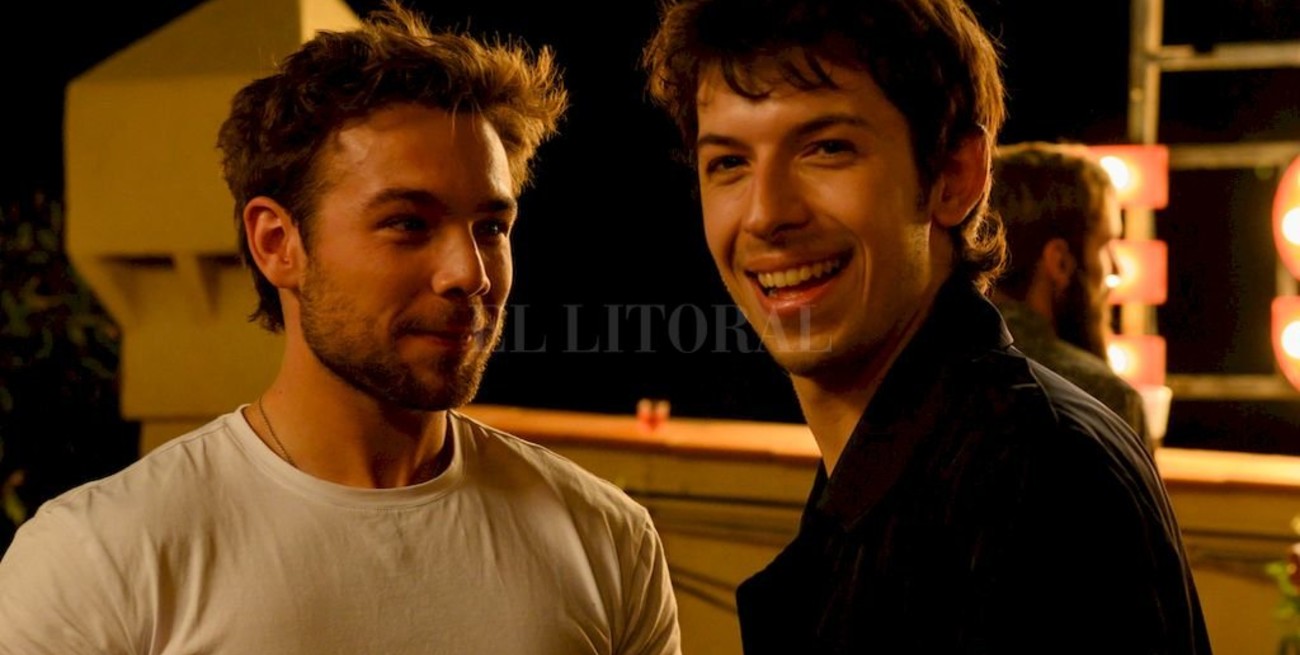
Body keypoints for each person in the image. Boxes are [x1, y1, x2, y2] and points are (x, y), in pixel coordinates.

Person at [0, 4, 681, 654]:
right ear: (277, 244)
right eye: (408, 223)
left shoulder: (606, 541)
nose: (468, 274)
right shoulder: (98, 558)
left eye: (491, 227)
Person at [642, 0, 1209, 652]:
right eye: (729, 163)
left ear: (955, 175)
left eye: (827, 148)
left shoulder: (1043, 486)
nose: (766, 214)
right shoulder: (919, 476)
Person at [990, 141, 1152, 449]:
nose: (1116, 267)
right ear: (1060, 261)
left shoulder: (926, 374)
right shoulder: (1103, 398)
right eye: (1104, 244)